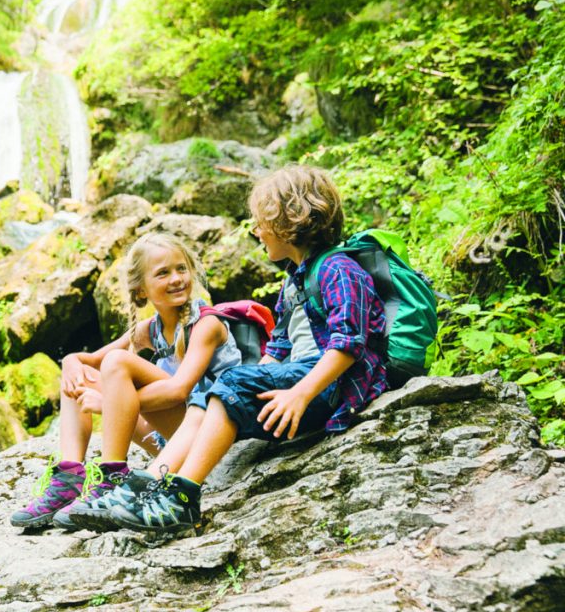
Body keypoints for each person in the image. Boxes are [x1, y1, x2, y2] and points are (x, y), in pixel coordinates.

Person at [109, 166, 388, 536]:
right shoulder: (295, 281)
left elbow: (348, 343)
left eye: (261, 222)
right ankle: (148, 485)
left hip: (331, 387)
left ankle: (181, 496)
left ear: (290, 222)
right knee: (222, 389)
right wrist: (256, 381)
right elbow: (280, 347)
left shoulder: (338, 268)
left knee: (233, 382)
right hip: (302, 383)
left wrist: (299, 393)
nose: (256, 230)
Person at [10, 232, 242, 529]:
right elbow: (86, 362)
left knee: (118, 362)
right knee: (81, 376)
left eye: (181, 269)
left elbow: (178, 390)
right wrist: (69, 362)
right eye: (163, 273)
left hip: (207, 435)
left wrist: (109, 404)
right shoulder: (150, 329)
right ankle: (68, 479)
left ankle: (113, 477)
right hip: (168, 438)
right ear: (141, 290)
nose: (176, 279)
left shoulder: (206, 325)